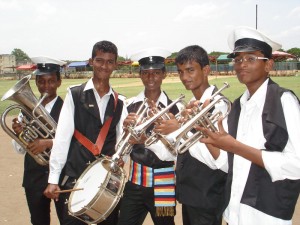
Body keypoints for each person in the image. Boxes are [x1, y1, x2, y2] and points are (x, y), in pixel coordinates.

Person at [199, 26, 300, 225]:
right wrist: (204, 133)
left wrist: (235, 147)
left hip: (267, 216)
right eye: (238, 59)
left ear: (269, 65)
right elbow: (229, 164)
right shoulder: (237, 106)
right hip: (235, 213)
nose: (242, 65)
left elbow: (297, 164)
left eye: (251, 58)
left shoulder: (283, 100)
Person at [43, 40, 128, 225]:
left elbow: (123, 142)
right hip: (75, 182)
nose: (104, 66)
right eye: (99, 60)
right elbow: (62, 140)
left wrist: (122, 159)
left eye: (109, 61)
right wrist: (53, 179)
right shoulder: (74, 95)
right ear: (91, 61)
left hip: (106, 184)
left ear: (115, 64)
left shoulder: (121, 102)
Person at [117, 48, 180, 225]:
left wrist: (145, 140)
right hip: (136, 180)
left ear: (164, 75)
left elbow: (175, 151)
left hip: (164, 181)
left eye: (156, 73)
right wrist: (125, 132)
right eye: (146, 73)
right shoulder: (129, 106)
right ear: (140, 75)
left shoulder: (175, 109)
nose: (151, 77)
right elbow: (120, 146)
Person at [11, 56, 65, 225]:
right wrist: (20, 135)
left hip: (62, 177)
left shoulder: (68, 109)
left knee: (68, 220)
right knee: (38, 221)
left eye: (51, 81)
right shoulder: (25, 110)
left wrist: (48, 143)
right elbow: (19, 150)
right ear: (36, 83)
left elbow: (73, 143)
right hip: (33, 177)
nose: (46, 87)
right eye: (41, 82)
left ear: (59, 82)